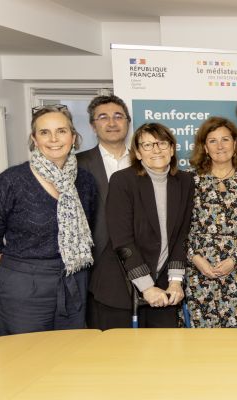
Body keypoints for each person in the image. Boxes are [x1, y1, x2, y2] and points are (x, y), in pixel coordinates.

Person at [0, 104, 97, 335]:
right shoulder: (12, 181)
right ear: (35, 139)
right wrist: (18, 270)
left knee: (69, 354)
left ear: (73, 137)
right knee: (25, 357)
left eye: (61, 131)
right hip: (24, 285)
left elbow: (91, 224)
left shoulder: (84, 181)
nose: (54, 139)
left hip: (73, 280)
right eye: (45, 132)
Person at [93, 122, 194, 328]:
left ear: (172, 149)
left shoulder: (185, 181)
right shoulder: (123, 181)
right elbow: (123, 241)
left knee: (164, 355)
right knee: (122, 357)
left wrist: (175, 282)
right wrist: (147, 287)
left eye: (162, 143)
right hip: (120, 289)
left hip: (164, 289)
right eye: (147, 145)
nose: (156, 150)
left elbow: (180, 237)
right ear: (138, 153)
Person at [185, 116, 237, 328]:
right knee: (204, 344)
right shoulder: (189, 180)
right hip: (201, 272)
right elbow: (179, 226)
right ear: (204, 146)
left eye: (225, 139)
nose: (220, 146)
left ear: (235, 143)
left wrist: (234, 260)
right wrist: (196, 259)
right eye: (213, 141)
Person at [77, 95, 133, 328]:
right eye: (103, 117)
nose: (112, 122)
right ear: (93, 125)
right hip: (96, 266)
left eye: (118, 116)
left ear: (128, 122)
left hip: (141, 260)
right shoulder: (77, 164)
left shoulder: (145, 160)